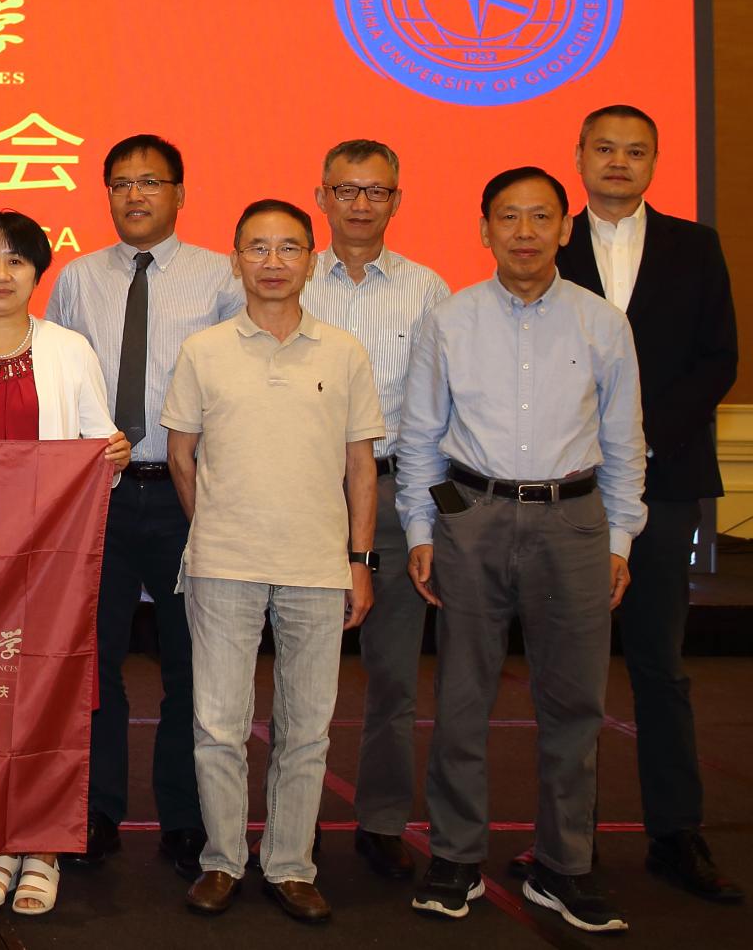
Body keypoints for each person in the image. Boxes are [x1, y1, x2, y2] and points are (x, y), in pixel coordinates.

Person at [398, 166, 645, 934]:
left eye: (542, 217)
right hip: (471, 513)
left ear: (566, 228)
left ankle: (564, 866)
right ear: (485, 230)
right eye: (509, 217)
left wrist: (618, 537)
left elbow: (624, 441)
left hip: (574, 523)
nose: (526, 232)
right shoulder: (449, 320)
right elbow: (423, 440)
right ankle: (455, 857)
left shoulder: (603, 323)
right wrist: (433, 527)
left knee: (574, 704)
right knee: (461, 698)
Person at [164, 200, 382, 924]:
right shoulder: (203, 350)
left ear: (311, 262)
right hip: (223, 563)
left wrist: (358, 559)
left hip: (317, 566)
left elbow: (361, 466)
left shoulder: (344, 352)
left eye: (289, 248)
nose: (273, 262)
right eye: (257, 248)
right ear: (236, 261)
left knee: (307, 728)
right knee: (218, 725)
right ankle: (223, 860)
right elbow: (182, 457)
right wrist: (219, 525)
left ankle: (290, 865)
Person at [0, 209, 130, 916]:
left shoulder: (70, 350)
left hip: (54, 564)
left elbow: (99, 446)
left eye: (16, 260)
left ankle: (44, 847)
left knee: (51, 702)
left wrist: (113, 454)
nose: (1, 274)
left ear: (38, 272)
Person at [44, 134, 241, 877]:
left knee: (191, 663)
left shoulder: (220, 277)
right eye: (121, 183)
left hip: (189, 493)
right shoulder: (76, 278)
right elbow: (59, 378)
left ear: (180, 194)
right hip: (99, 495)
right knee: (94, 661)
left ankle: (185, 817)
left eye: (151, 182)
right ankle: (93, 810)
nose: (135, 195)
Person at [557, 105, 741, 902]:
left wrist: (634, 438)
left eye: (636, 152)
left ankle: (676, 833)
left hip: (662, 484)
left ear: (655, 162)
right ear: (580, 156)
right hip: (567, 484)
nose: (619, 162)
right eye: (605, 148)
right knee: (571, 673)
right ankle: (568, 840)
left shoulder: (694, 246)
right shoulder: (549, 242)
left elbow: (718, 359)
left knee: (660, 668)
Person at [298, 140, 450, 881]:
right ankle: (292, 822)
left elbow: (440, 410)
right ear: (321, 197)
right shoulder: (289, 279)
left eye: (377, 191)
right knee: (299, 676)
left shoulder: (428, 290)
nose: (361, 204)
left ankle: (383, 820)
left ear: (397, 199)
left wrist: (429, 514)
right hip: (303, 493)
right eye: (346, 190)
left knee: (393, 677)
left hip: (394, 495)